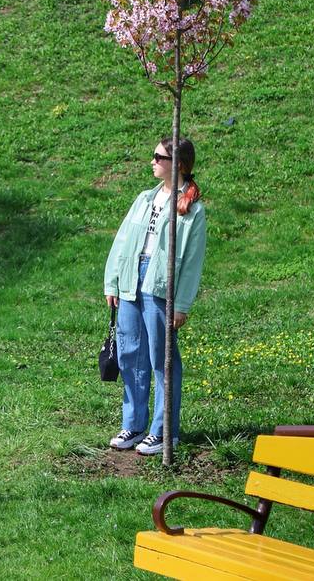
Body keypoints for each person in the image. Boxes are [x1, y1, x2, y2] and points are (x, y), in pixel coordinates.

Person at [103, 137, 207, 456]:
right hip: (132, 278)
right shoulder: (144, 199)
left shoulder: (191, 209)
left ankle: (164, 432)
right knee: (130, 355)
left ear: (178, 165)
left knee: (162, 359)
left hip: (160, 285)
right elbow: (123, 240)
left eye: (158, 157)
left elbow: (191, 263)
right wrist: (113, 281)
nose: (152, 161)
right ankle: (134, 425)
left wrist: (182, 303)